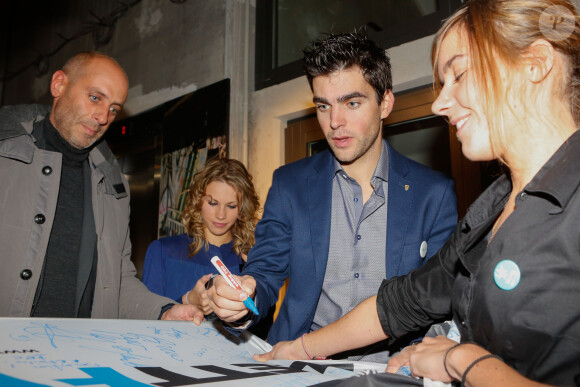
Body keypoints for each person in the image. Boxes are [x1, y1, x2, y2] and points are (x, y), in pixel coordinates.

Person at [254, 0, 580, 385]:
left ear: (536, 64)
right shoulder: (492, 207)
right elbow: (404, 301)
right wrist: (299, 349)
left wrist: (461, 359)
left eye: (459, 74)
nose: (439, 103)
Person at [208, 32, 458, 362]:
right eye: (323, 106)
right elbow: (264, 276)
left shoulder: (434, 194)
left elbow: (441, 302)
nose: (334, 122)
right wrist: (240, 299)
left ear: (385, 103)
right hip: (297, 366)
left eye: (351, 103)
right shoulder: (289, 184)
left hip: (391, 373)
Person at [0, 52, 203, 323]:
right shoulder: (6, 156)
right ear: (59, 85)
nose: (103, 117)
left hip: (75, 354)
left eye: (114, 109)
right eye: (95, 98)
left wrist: (164, 312)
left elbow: (117, 283)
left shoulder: (113, 187)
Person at [142, 157, 260, 315]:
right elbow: (147, 317)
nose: (220, 215)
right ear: (198, 201)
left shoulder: (251, 260)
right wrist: (188, 300)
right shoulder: (163, 251)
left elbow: (262, 327)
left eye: (231, 206)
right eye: (212, 203)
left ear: (243, 208)